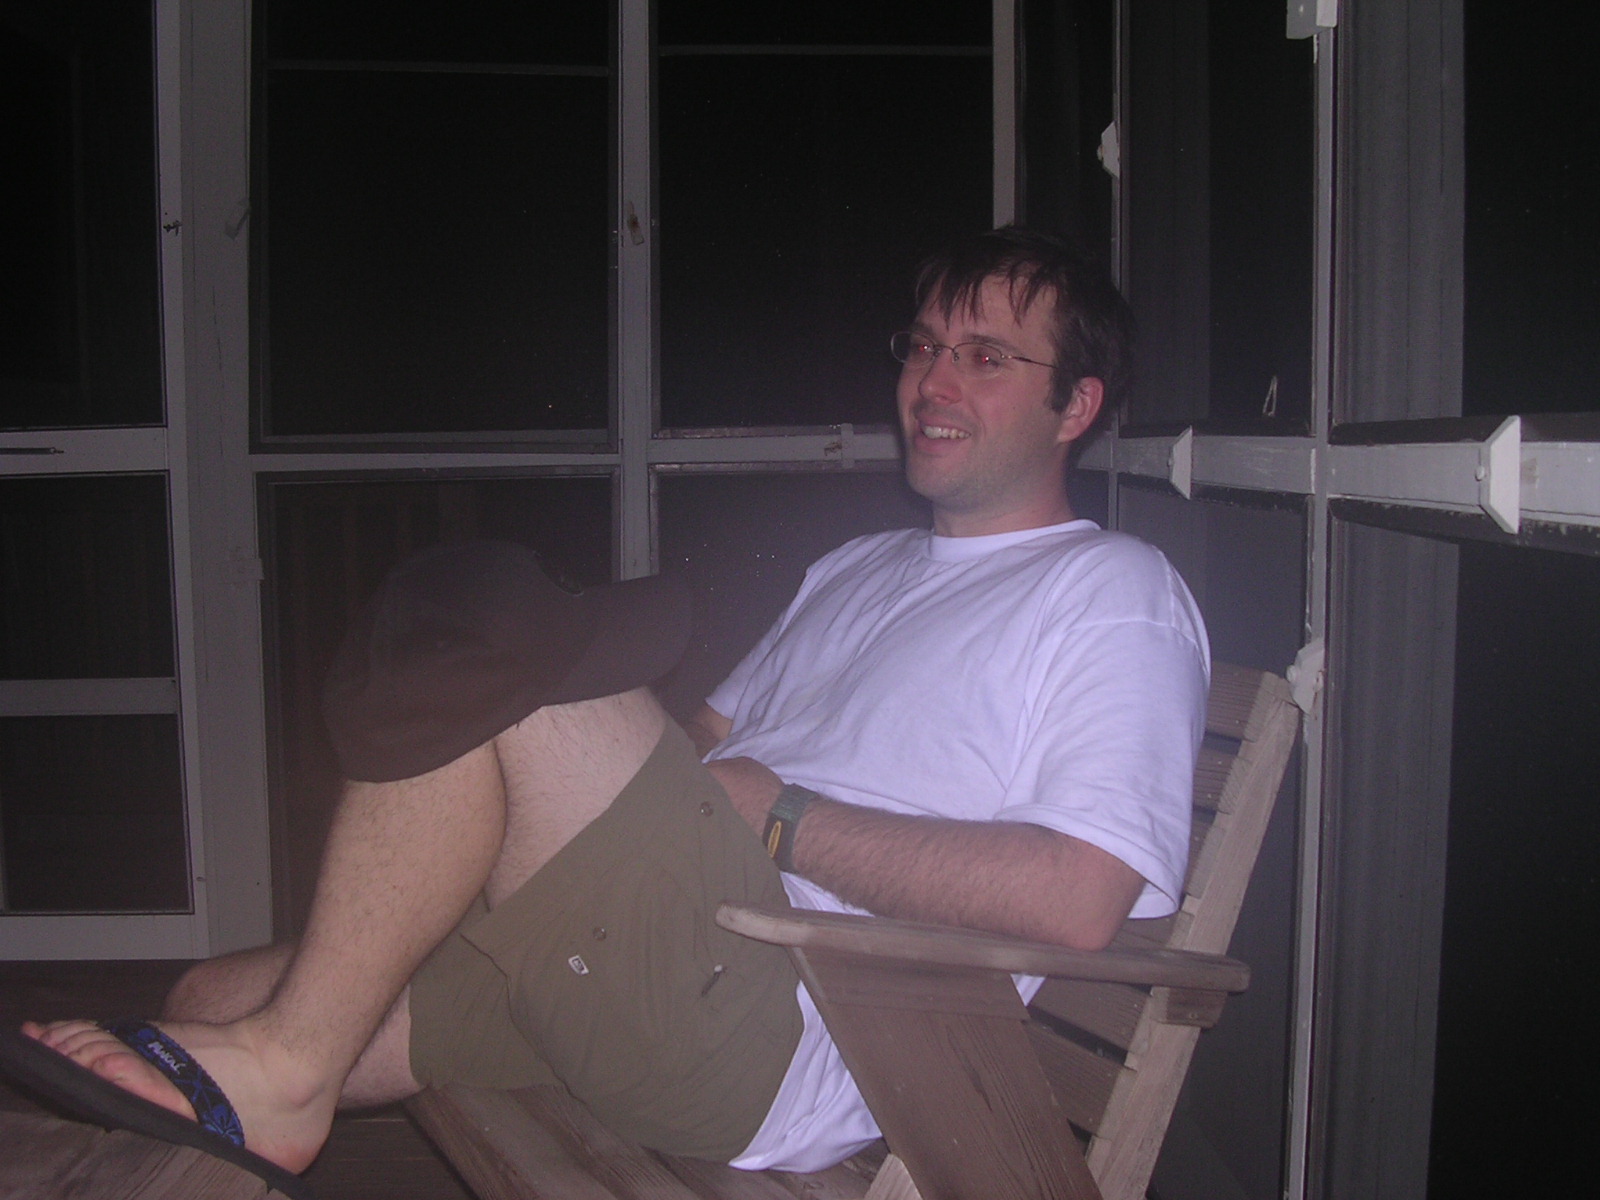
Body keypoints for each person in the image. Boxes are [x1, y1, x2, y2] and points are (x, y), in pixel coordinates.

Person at [4, 227, 1207, 1185]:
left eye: (986, 357)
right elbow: (697, 750)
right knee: (207, 1006)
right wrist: (487, 836)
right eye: (924, 345)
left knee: (488, 630)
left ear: (1076, 406)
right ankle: (285, 1066)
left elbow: (1078, 898)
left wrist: (782, 819)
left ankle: (289, 1069)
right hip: (655, 944)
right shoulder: (858, 568)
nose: (932, 382)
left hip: (784, 1016)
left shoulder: (1112, 591)